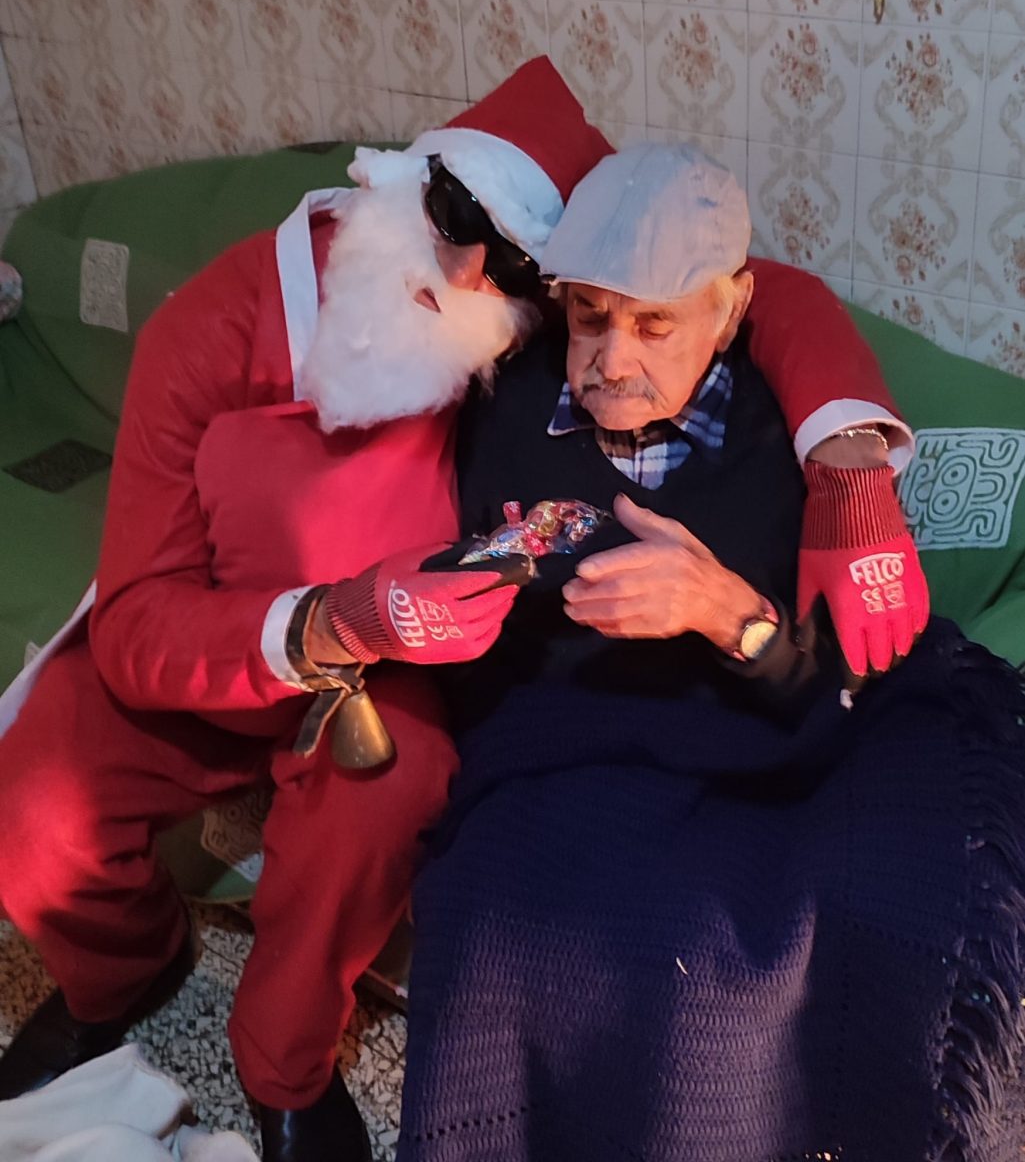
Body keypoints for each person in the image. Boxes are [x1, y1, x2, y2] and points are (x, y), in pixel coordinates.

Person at [0, 58, 918, 1160]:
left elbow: (745, 289)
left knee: (387, 804)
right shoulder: (221, 330)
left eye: (514, 263)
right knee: (33, 801)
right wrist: (331, 620)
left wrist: (848, 461)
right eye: (453, 217)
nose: (467, 271)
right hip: (233, 642)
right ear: (397, 181)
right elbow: (139, 624)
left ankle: (283, 1065)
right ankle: (126, 974)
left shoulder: (543, 337)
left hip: (414, 676)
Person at [395, 143, 1025, 1162]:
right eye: (589, 317)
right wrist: (495, 574)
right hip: (562, 740)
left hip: (755, 738)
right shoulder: (505, 405)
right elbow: (477, 645)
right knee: (492, 922)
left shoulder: (785, 445)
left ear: (728, 315)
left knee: (745, 950)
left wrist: (724, 613)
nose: (612, 359)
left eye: (654, 325)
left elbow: (834, 684)